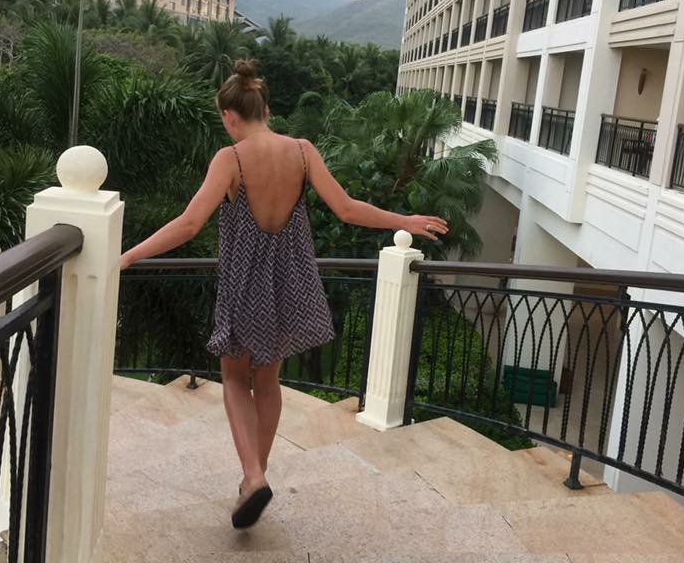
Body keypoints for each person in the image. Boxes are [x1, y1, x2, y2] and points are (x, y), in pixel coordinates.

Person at [119, 59, 448, 529]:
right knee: (268, 380)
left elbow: (189, 224)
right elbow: (347, 209)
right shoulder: (302, 151)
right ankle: (256, 475)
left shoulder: (230, 159)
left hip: (244, 283)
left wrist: (130, 255)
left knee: (234, 378)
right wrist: (405, 221)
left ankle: (253, 476)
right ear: (267, 110)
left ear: (230, 115)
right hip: (290, 281)